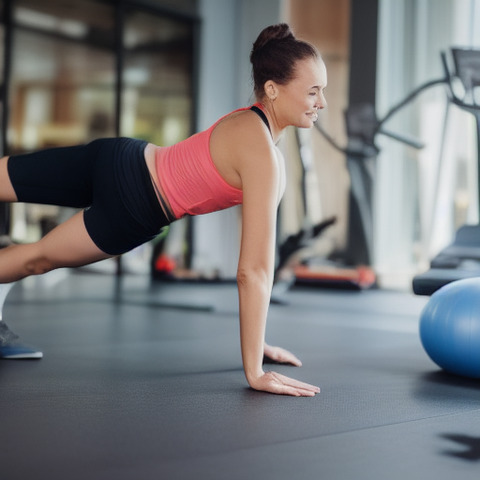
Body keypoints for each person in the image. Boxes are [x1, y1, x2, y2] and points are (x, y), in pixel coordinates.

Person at [0, 23, 326, 396]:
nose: (322, 103)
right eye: (313, 91)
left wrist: (258, 344)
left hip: (122, 156)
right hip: (135, 209)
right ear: (272, 89)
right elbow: (253, 271)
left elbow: (256, 270)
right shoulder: (265, 157)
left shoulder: (248, 121)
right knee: (36, 259)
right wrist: (254, 370)